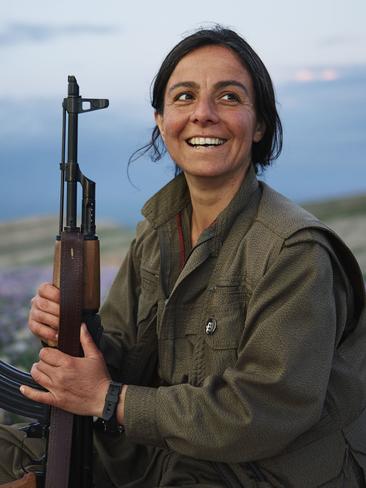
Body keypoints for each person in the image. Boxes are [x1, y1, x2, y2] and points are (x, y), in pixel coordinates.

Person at [1, 25, 366, 487]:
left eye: (229, 97)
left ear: (260, 125)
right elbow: (125, 355)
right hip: (164, 451)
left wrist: (107, 400)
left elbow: (260, 414)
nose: (204, 115)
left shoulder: (294, 251)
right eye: (184, 97)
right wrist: (74, 328)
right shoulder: (156, 234)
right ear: (161, 121)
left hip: (267, 470)